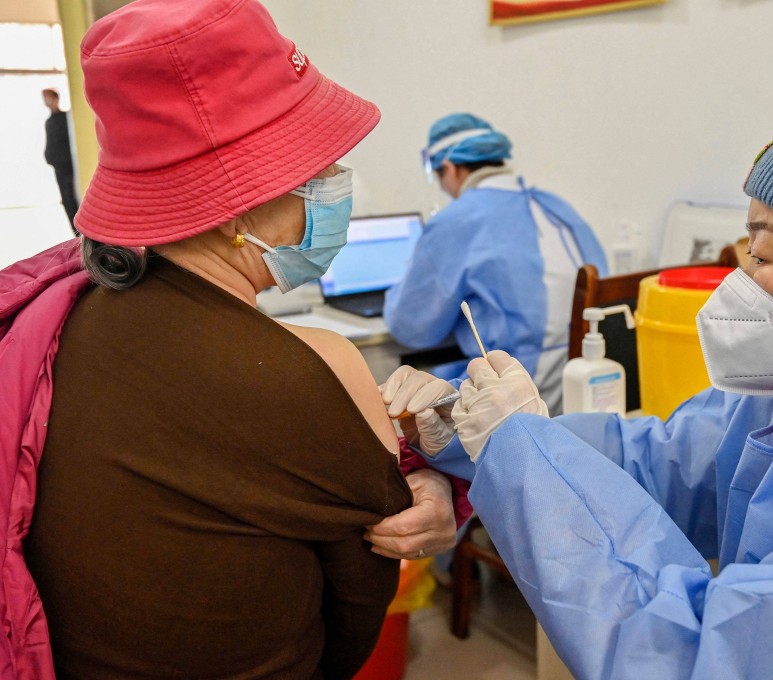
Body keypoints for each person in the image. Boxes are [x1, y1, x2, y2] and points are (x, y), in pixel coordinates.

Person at [381, 47, 773, 678]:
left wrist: (518, 449)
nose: (735, 283)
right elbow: (662, 461)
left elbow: (711, 661)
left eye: (763, 258)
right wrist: (483, 439)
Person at [0, 1, 456, 677]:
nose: (337, 187)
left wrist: (414, 469)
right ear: (237, 202)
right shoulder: (315, 365)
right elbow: (357, 618)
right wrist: (436, 476)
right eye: (317, 168)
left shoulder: (58, 320)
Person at [383, 113, 608, 416]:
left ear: (450, 169)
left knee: (410, 394)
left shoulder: (459, 219)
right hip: (587, 387)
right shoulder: (556, 206)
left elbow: (411, 327)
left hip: (518, 392)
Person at [41, 88, 79, 233]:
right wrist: (50, 158)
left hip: (69, 166)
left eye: (48, 97)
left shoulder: (67, 118)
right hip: (59, 168)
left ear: (56, 98)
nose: (46, 101)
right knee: (67, 201)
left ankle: (82, 235)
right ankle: (76, 236)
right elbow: (50, 144)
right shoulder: (49, 122)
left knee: (73, 199)